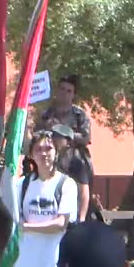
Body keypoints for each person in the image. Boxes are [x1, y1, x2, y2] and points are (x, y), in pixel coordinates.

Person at [12, 131, 79, 267]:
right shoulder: (21, 185)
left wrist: (27, 227)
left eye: (48, 148)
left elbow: (61, 224)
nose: (44, 153)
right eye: (38, 149)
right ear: (32, 154)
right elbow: (13, 218)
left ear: (56, 152)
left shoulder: (66, 184)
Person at [36, 74, 96, 208]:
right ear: (57, 91)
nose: (65, 93)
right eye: (62, 89)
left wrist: (67, 134)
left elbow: (86, 137)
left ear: (73, 95)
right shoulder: (47, 114)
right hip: (50, 155)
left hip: (73, 155)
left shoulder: (79, 114)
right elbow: (37, 134)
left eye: (69, 91)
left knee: (81, 170)